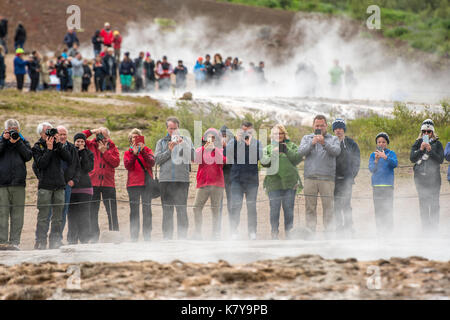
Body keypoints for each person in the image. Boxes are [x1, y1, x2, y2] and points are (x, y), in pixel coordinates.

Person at [298, 115, 341, 238]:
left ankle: (328, 235)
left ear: (326, 126)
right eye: (317, 125)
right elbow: (300, 152)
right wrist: (312, 143)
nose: (319, 127)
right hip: (310, 178)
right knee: (310, 208)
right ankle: (311, 234)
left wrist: (324, 143)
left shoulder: (333, 139)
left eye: (322, 125)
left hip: (327, 179)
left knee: (328, 208)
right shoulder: (307, 138)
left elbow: (336, 152)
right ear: (313, 126)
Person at [32, 122, 72, 250]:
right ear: (41, 133)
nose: (49, 133)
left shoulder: (57, 145)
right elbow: (40, 164)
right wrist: (49, 149)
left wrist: (58, 144)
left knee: (58, 217)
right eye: (46, 131)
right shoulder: (37, 146)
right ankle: (40, 241)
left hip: (59, 185)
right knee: (43, 216)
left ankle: (55, 241)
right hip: (45, 186)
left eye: (50, 131)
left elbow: (68, 158)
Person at [155, 117, 195, 240]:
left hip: (181, 180)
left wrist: (182, 144)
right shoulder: (161, 142)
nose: (173, 131)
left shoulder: (186, 140)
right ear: (167, 128)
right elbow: (156, 160)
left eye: (175, 128)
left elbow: (193, 157)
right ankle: (167, 239)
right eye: (170, 128)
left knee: (181, 210)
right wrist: (169, 150)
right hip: (165, 181)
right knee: (167, 211)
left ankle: (182, 238)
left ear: (179, 128)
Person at [261, 124, 303, 240]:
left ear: (284, 134)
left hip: (290, 183)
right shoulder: (267, 148)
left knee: (289, 210)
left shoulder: (292, 146)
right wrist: (274, 154)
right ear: (271, 136)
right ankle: (274, 234)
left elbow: (297, 159)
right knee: (274, 210)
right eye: (275, 134)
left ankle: (289, 235)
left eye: (280, 133)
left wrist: (286, 150)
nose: (278, 136)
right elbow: (264, 163)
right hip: (273, 184)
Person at [226, 121, 263, 240]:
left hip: (252, 180)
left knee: (251, 207)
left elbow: (261, 158)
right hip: (237, 179)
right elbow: (227, 153)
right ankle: (233, 232)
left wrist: (250, 144)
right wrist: (237, 140)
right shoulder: (234, 141)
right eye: (244, 130)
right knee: (236, 205)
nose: (246, 133)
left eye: (249, 131)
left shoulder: (257, 143)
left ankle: (252, 232)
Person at [82, 127, 120, 242]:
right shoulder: (90, 144)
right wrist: (92, 131)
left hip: (108, 183)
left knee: (112, 211)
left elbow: (116, 163)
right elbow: (80, 136)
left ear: (108, 137)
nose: (102, 138)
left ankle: (114, 235)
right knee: (92, 211)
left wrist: (105, 152)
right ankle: (93, 236)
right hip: (93, 182)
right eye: (100, 135)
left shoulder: (112, 146)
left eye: (104, 136)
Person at [0, 119, 33, 249]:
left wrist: (17, 142)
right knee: (2, 213)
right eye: (11, 129)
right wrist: (4, 140)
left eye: (15, 129)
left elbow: (28, 156)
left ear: (18, 130)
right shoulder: (1, 140)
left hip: (19, 183)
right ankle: (2, 241)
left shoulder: (23, 141)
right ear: (6, 130)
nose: (14, 131)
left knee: (18, 214)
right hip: (2, 183)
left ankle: (15, 241)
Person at [410, 119, 444, 234]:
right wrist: (421, 149)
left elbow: (440, 160)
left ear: (432, 132)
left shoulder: (438, 144)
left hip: (434, 179)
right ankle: (425, 229)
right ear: (421, 132)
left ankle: (434, 229)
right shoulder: (417, 143)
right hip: (420, 179)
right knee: (423, 204)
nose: (426, 134)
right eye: (424, 131)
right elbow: (412, 158)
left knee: (434, 204)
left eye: (428, 131)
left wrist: (430, 150)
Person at [193, 128, 226, 240]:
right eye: (209, 137)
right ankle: (198, 233)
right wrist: (204, 149)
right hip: (203, 183)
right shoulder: (200, 149)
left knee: (215, 209)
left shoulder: (220, 149)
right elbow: (195, 160)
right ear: (205, 138)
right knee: (196, 207)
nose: (211, 139)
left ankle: (216, 234)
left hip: (217, 185)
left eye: (213, 137)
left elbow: (223, 162)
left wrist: (215, 150)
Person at [124, 128, 155, 242]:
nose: (135, 139)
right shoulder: (128, 152)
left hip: (147, 184)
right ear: (130, 140)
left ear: (141, 138)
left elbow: (152, 162)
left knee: (147, 210)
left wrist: (143, 152)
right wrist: (134, 154)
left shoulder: (147, 150)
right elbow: (128, 166)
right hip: (133, 184)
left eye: (137, 137)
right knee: (134, 211)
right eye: (133, 137)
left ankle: (147, 236)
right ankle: (134, 237)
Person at [332, 119, 360, 237]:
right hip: (333, 179)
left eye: (341, 128)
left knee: (346, 204)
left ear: (344, 130)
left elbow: (357, 160)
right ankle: (338, 227)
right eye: (336, 128)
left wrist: (351, 175)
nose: (338, 130)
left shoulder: (351, 143)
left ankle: (349, 226)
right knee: (336, 204)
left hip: (347, 179)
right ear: (334, 130)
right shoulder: (331, 142)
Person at [368, 132, 398, 237]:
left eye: (383, 142)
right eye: (379, 142)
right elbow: (371, 169)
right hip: (376, 187)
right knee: (378, 211)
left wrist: (385, 157)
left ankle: (389, 233)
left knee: (388, 210)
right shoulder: (373, 155)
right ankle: (380, 232)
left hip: (388, 187)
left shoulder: (391, 153)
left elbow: (395, 164)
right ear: (376, 143)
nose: (381, 144)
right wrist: (376, 160)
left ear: (387, 143)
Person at [67, 133, 94, 244]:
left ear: (85, 143)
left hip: (85, 189)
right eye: (78, 141)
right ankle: (72, 239)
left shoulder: (89, 153)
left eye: (82, 141)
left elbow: (88, 168)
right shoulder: (69, 152)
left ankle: (84, 239)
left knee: (84, 215)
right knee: (72, 216)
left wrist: (82, 152)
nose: (80, 143)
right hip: (72, 188)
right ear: (74, 142)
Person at [219, 125, 234, 226]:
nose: (224, 138)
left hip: (231, 176)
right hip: (219, 176)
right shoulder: (216, 145)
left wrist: (226, 148)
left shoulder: (234, 145)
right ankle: (217, 229)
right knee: (218, 204)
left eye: (226, 136)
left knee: (231, 203)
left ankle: (233, 228)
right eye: (222, 136)